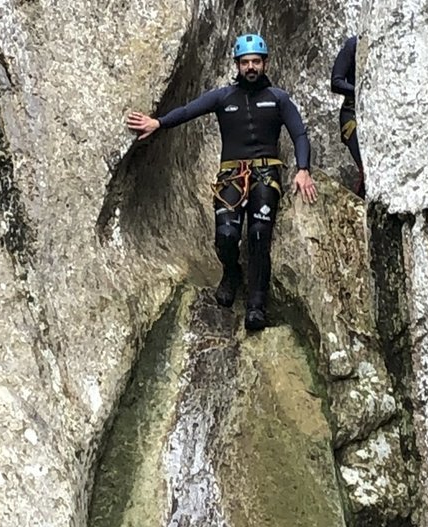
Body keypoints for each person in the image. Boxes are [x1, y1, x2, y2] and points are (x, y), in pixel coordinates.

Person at [125, 33, 317, 332]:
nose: (251, 67)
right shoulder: (223, 97)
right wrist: (158, 123)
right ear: (237, 65)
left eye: (256, 61)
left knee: (258, 235)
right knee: (226, 234)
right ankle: (231, 273)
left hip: (266, 175)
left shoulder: (278, 99)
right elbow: (189, 111)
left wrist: (303, 169)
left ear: (265, 63)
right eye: (245, 62)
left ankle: (256, 305)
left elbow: (300, 134)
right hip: (232, 175)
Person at [331, 36, 362, 196]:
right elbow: (336, 82)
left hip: (371, 115)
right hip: (352, 115)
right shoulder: (354, 44)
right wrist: (362, 89)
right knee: (366, 167)